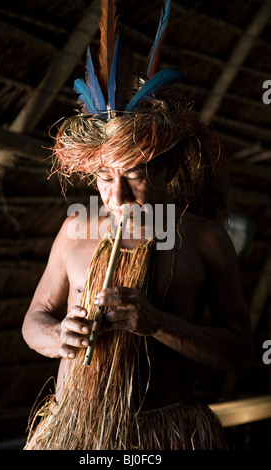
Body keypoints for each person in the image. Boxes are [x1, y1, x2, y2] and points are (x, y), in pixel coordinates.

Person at [21, 0, 253, 450]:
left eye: (136, 176)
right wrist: (57, 335)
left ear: (168, 171)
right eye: (106, 178)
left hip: (165, 435)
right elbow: (34, 321)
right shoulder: (75, 231)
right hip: (76, 434)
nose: (118, 197)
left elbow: (241, 355)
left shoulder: (205, 240)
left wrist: (157, 325)